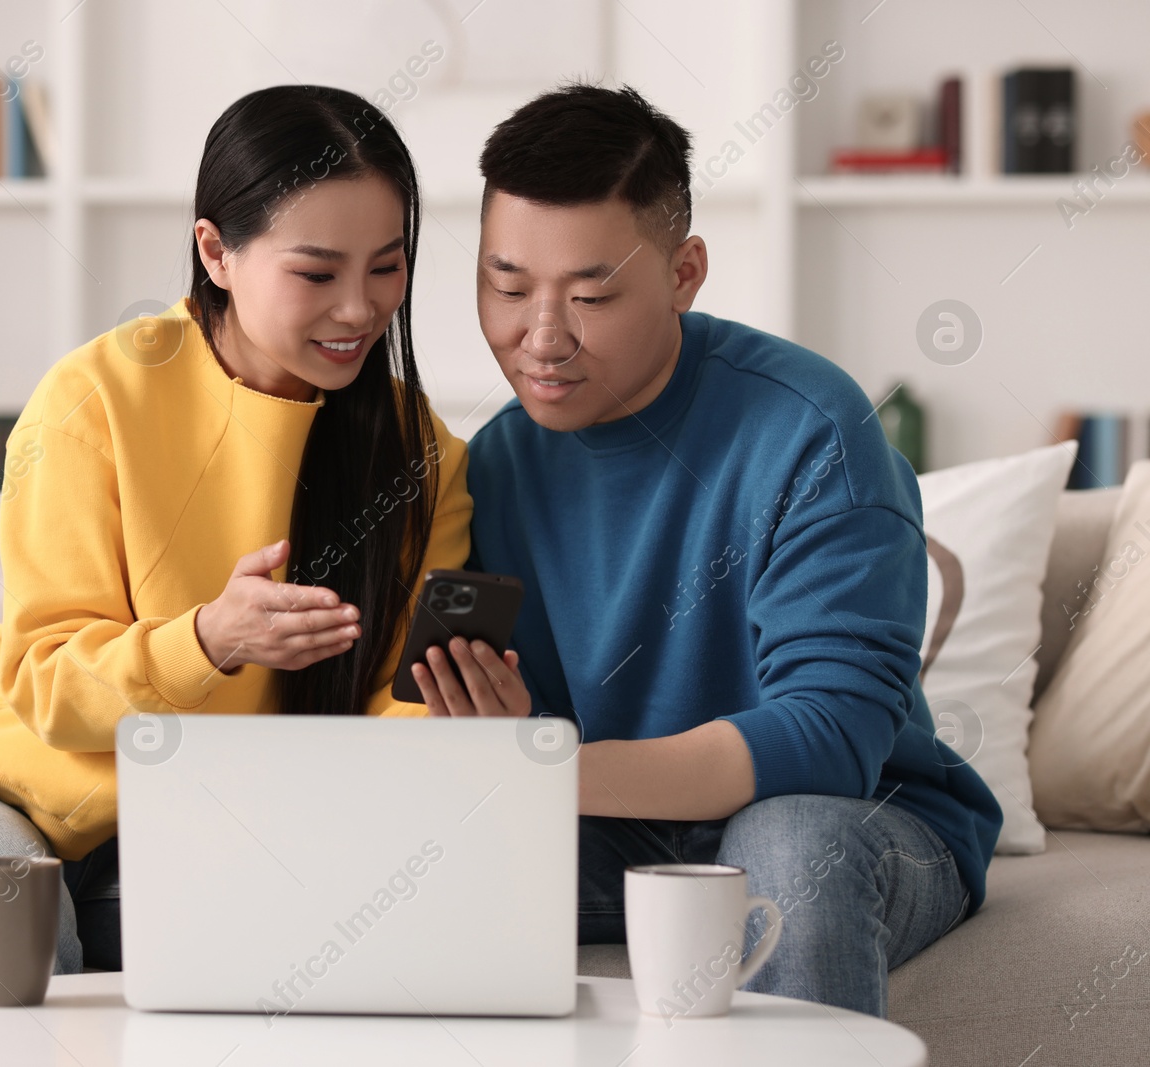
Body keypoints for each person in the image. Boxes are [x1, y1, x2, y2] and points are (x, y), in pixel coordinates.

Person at [0, 84, 472, 983]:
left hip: (197, 833)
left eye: (387, 266)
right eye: (317, 272)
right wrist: (208, 641)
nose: (360, 309)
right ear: (215, 252)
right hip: (1, 795)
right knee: (24, 951)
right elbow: (49, 686)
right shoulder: (93, 400)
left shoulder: (417, 454)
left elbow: (391, 709)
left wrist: (453, 720)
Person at [410, 83, 1002, 1019]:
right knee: (397, 859)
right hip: (618, 823)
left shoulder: (814, 431)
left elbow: (832, 738)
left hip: (860, 819)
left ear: (684, 273)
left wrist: (547, 768)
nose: (541, 337)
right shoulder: (497, 463)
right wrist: (512, 735)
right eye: (507, 285)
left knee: (788, 850)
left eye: (593, 293)